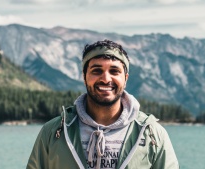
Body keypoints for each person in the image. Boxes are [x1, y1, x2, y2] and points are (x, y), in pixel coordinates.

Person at [26, 39, 179, 169]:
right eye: (96, 71)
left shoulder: (153, 134)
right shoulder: (53, 132)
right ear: (85, 77)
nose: (106, 79)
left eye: (114, 71)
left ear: (125, 78)